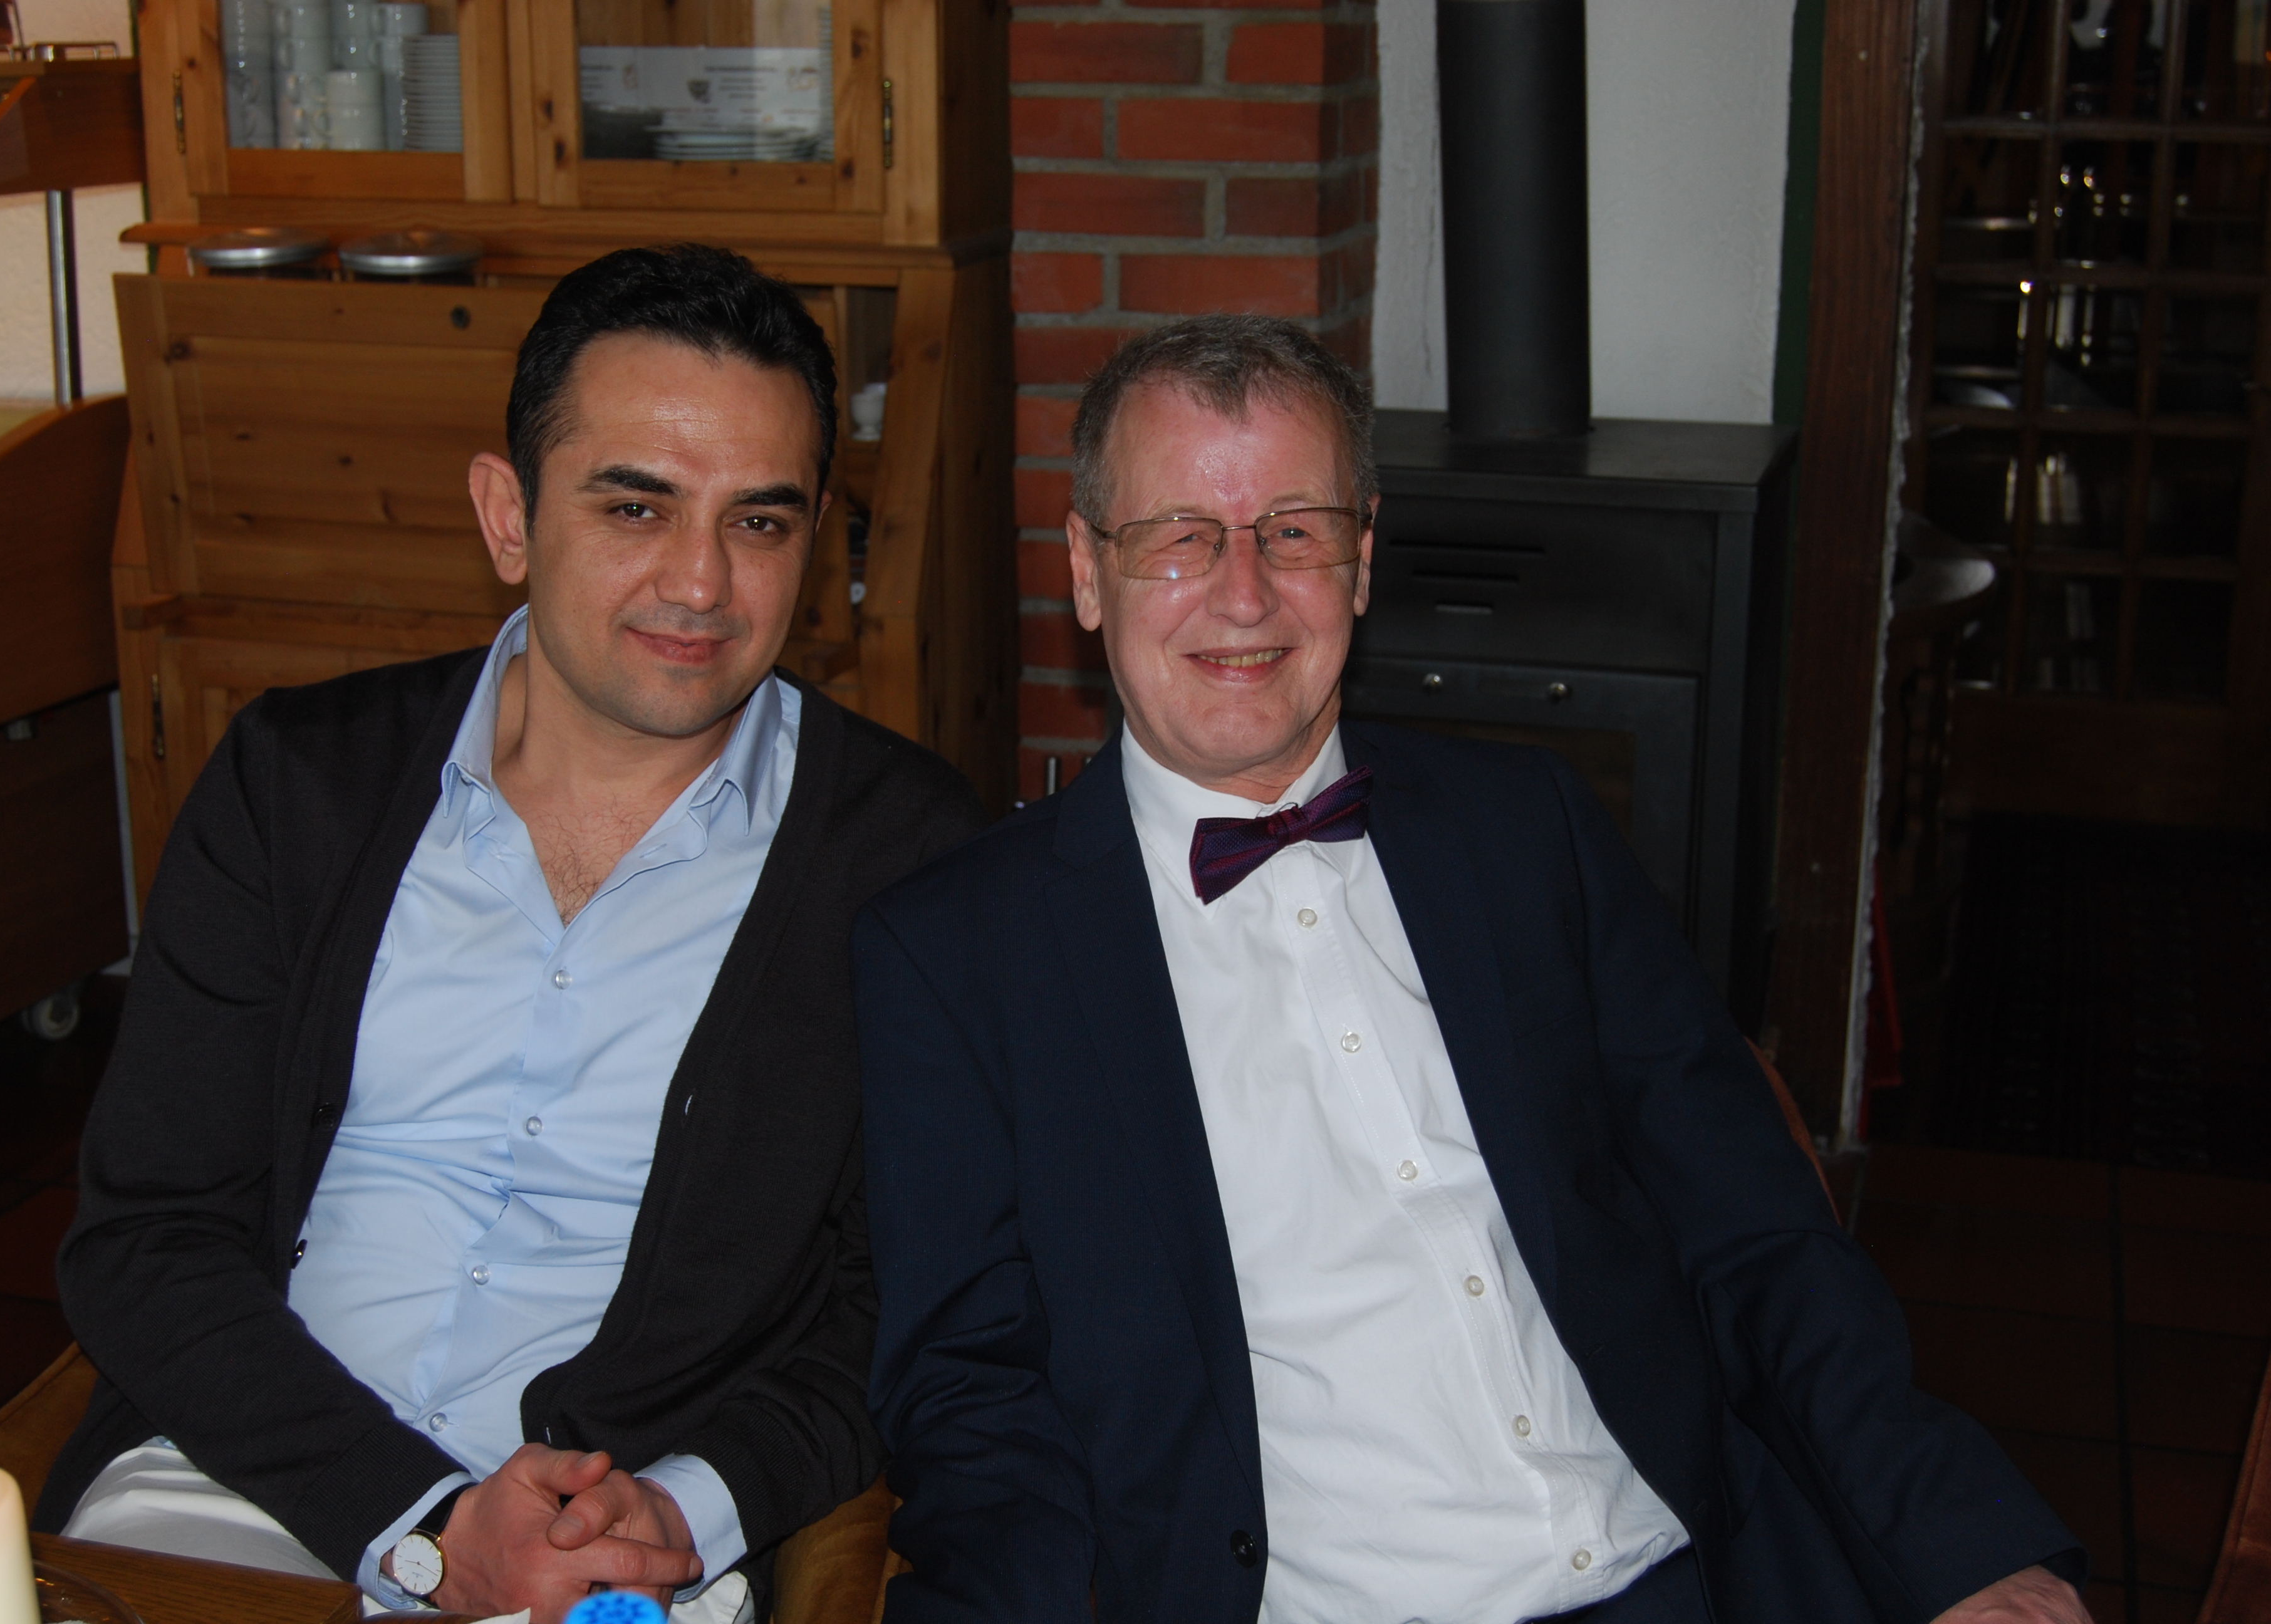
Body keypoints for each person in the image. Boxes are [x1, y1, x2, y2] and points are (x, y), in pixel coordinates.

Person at [854, 316, 2092, 1624]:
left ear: (1362, 560)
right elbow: (973, 1407)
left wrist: (1961, 1545)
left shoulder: (1527, 829)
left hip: (1683, 1573)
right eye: (1179, 536)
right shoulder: (956, 957)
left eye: (1295, 531)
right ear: (1088, 572)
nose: (1243, 593)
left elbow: (1753, 1229)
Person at [44, 244, 985, 1622]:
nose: (701, 583)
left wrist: (691, 1504)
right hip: (243, 1486)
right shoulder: (299, 784)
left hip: (615, 1536)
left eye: (760, 522)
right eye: (635, 507)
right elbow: (147, 1233)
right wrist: (421, 1524)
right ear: (508, 514)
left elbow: (909, 1300)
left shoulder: (907, 861)